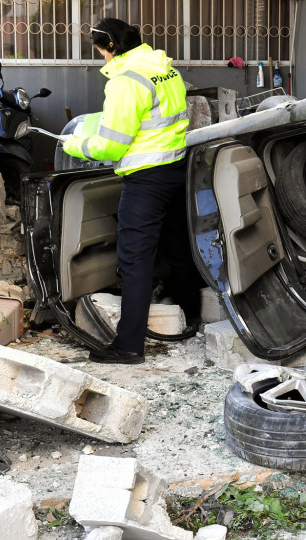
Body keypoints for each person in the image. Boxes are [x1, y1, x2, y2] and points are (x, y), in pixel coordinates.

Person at [62, 18, 201, 364]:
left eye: (100, 51)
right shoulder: (165, 69)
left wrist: (75, 144)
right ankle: (191, 318)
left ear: (110, 46)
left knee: (135, 262)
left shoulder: (125, 82)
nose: (102, 58)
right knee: (179, 248)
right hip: (176, 168)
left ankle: (128, 346)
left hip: (145, 179)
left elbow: (111, 145)